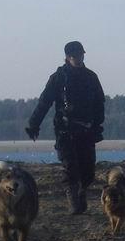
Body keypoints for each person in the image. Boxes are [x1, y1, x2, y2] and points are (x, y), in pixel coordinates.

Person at [25, 41, 105, 214]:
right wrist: (33, 124)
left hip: (87, 130)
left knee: (88, 171)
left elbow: (100, 103)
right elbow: (44, 102)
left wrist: (98, 126)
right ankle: (74, 203)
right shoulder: (58, 78)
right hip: (65, 130)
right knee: (71, 168)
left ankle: (81, 192)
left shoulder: (91, 77)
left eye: (81, 55)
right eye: (75, 55)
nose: (79, 58)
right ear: (68, 57)